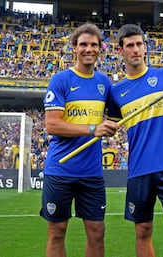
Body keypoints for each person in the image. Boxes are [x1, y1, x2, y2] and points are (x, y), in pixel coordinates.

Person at [107, 24, 163, 257]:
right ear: (120, 51)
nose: (135, 49)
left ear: (145, 47)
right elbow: (111, 128)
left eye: (139, 44)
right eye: (129, 45)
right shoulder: (116, 92)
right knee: (143, 231)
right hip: (139, 170)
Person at [40, 23, 119, 257]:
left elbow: (116, 117)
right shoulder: (61, 80)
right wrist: (93, 128)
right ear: (74, 48)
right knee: (57, 231)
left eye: (93, 45)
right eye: (83, 44)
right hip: (60, 169)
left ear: (100, 49)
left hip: (91, 172)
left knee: (97, 232)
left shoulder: (104, 83)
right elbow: (52, 124)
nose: (89, 49)